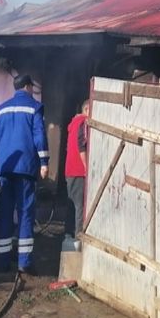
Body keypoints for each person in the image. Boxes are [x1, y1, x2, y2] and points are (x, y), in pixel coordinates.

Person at [0, 74, 49, 273]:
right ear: (28, 87)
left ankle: (3, 261)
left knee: (5, 214)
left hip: (5, 168)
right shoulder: (34, 107)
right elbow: (39, 135)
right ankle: (24, 262)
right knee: (25, 214)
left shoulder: (2, 109)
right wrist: (44, 162)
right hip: (25, 169)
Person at [64, 100, 90, 240]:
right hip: (78, 170)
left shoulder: (74, 123)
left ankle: (68, 233)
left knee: (72, 203)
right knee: (79, 205)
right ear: (86, 109)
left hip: (70, 169)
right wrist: (86, 167)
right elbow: (81, 146)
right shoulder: (84, 122)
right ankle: (78, 236)